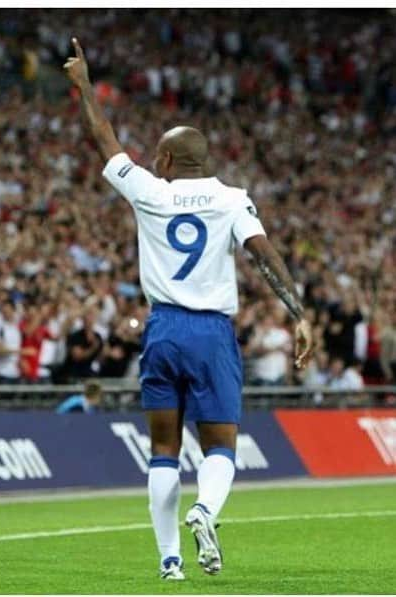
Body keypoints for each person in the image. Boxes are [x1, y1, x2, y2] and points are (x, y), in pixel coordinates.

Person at [64, 38, 314, 580]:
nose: (154, 160)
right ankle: (204, 511)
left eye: (158, 154)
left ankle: (169, 560)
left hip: (163, 328)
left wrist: (85, 86)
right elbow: (264, 255)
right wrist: (299, 312)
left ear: (170, 161)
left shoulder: (150, 192)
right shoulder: (232, 198)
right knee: (221, 443)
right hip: (211, 331)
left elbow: (106, 143)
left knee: (162, 447)